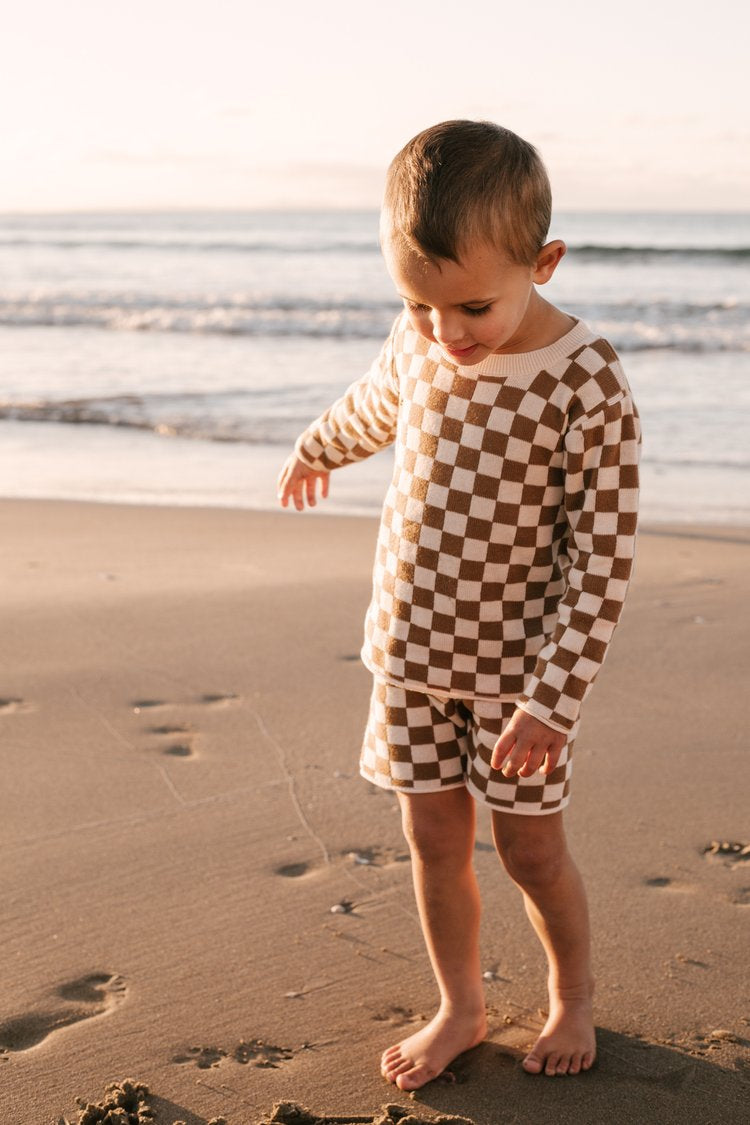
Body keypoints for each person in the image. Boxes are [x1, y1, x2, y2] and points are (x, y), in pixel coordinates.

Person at [277, 120, 640, 1088]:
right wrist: (318, 445)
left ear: (544, 261)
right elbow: (375, 400)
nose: (446, 333)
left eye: (472, 305)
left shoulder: (584, 381)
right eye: (419, 304)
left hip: (515, 684)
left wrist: (552, 698)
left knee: (528, 851)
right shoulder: (424, 333)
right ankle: (462, 1007)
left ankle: (571, 998)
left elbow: (601, 560)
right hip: (407, 654)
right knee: (431, 837)